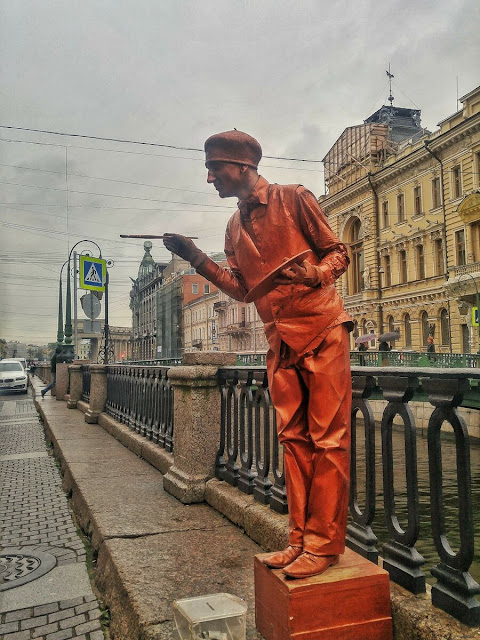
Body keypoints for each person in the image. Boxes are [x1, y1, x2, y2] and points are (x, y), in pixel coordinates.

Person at [164, 130, 353, 579]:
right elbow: (244, 291)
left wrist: (314, 274)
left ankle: (324, 546)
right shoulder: (232, 228)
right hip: (279, 340)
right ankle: (298, 540)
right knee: (293, 441)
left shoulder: (294, 199)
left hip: (322, 329)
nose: (209, 177)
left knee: (329, 440)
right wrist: (194, 257)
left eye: (215, 167)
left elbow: (338, 252)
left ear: (243, 166)